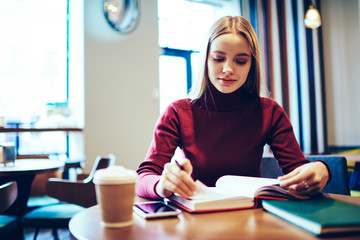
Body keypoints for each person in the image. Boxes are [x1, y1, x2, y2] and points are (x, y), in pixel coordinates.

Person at [136, 16, 330, 200]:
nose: (228, 69)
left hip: (250, 216)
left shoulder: (269, 112)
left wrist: (322, 169)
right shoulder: (177, 113)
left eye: (240, 61)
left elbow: (299, 170)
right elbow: (144, 176)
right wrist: (161, 184)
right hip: (195, 216)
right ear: (205, 60)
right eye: (219, 58)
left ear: (251, 65)